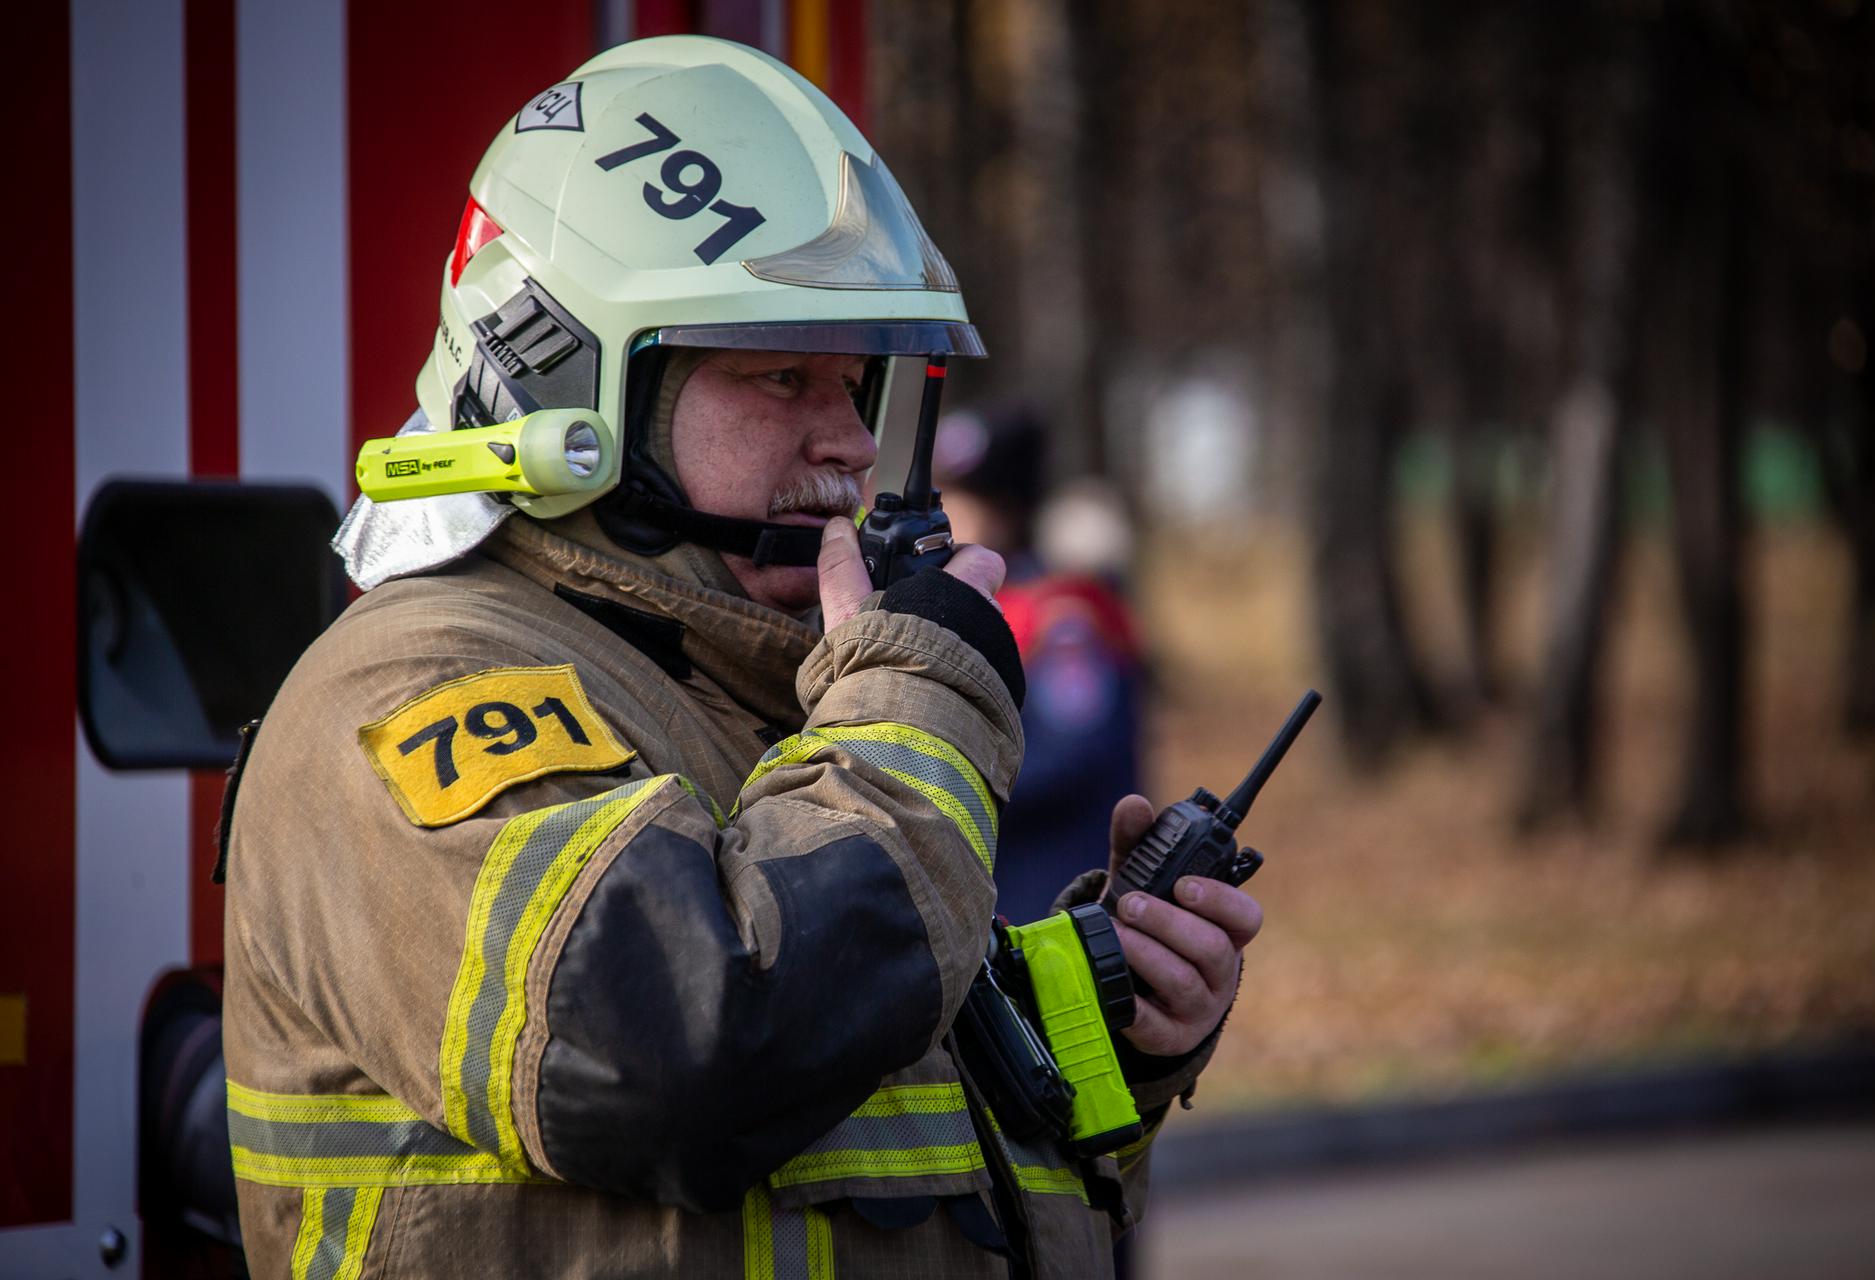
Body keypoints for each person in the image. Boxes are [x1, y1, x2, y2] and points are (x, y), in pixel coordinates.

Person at [222, 36, 1260, 1278]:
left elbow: (875, 1107)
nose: (850, 446)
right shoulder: (408, 690)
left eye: (857, 382)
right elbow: (671, 1047)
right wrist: (914, 706)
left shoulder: (768, 690)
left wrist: (1103, 1026)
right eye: (781, 376)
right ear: (576, 378)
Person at [934, 406, 1148, 929]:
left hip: (1056, 895)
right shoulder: (971, 605)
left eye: (958, 499)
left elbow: (1069, 753)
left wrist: (935, 782)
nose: (941, 514)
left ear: (1004, 512)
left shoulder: (1064, 619)